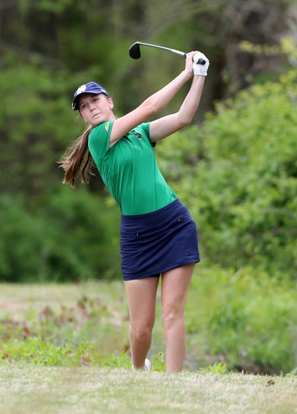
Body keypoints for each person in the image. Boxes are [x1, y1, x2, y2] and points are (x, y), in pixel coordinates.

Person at [59, 50, 208, 372]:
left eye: (94, 101)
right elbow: (150, 107)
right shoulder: (99, 139)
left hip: (174, 223)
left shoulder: (141, 134)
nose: (91, 108)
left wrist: (200, 75)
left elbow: (182, 118)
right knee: (141, 327)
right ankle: (138, 371)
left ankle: (174, 383)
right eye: (84, 107)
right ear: (83, 117)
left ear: (109, 102)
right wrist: (184, 73)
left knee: (172, 312)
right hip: (138, 236)